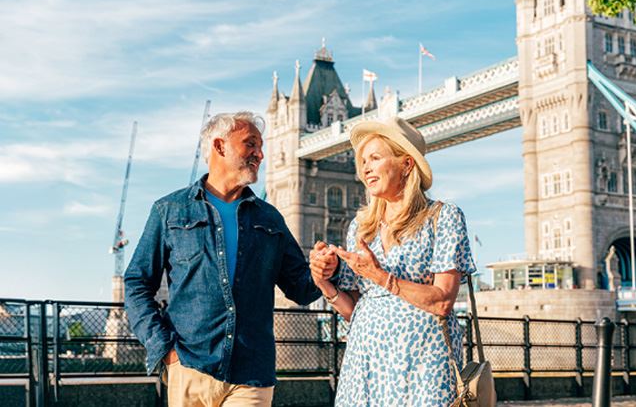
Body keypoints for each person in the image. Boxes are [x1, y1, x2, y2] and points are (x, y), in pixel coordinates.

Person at [125, 112, 332, 407]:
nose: (260, 154)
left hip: (251, 372)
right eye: (251, 144)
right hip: (189, 366)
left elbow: (301, 288)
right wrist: (164, 348)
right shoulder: (169, 210)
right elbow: (136, 282)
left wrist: (323, 271)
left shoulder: (269, 218)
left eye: (261, 147)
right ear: (220, 146)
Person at [309, 116, 477, 406]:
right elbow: (356, 309)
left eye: (375, 158)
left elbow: (442, 301)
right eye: (363, 161)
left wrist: (381, 277)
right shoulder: (361, 228)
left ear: (406, 164)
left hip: (424, 362)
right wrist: (324, 282)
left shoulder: (443, 218)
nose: (365, 168)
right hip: (366, 362)